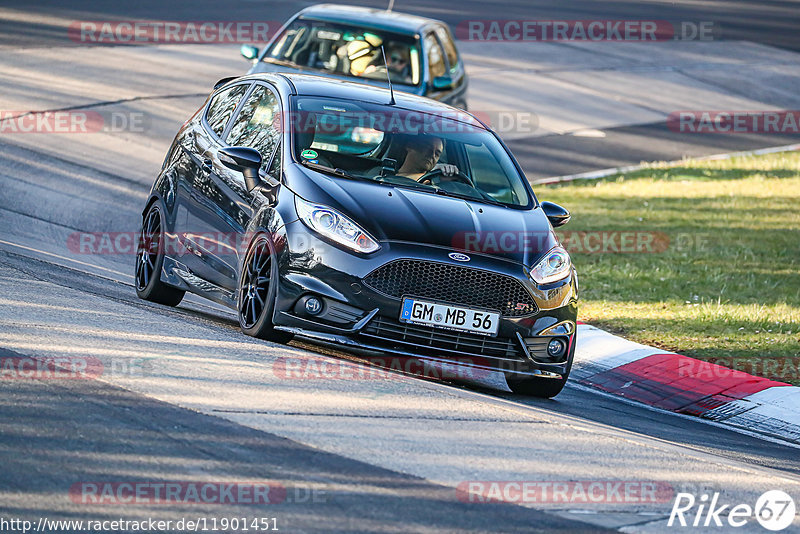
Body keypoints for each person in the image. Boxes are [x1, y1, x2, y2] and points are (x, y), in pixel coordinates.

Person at [395, 135, 459, 181]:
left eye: (437, 153)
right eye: (428, 148)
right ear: (410, 145)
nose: (432, 155)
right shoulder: (387, 175)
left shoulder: (435, 182)